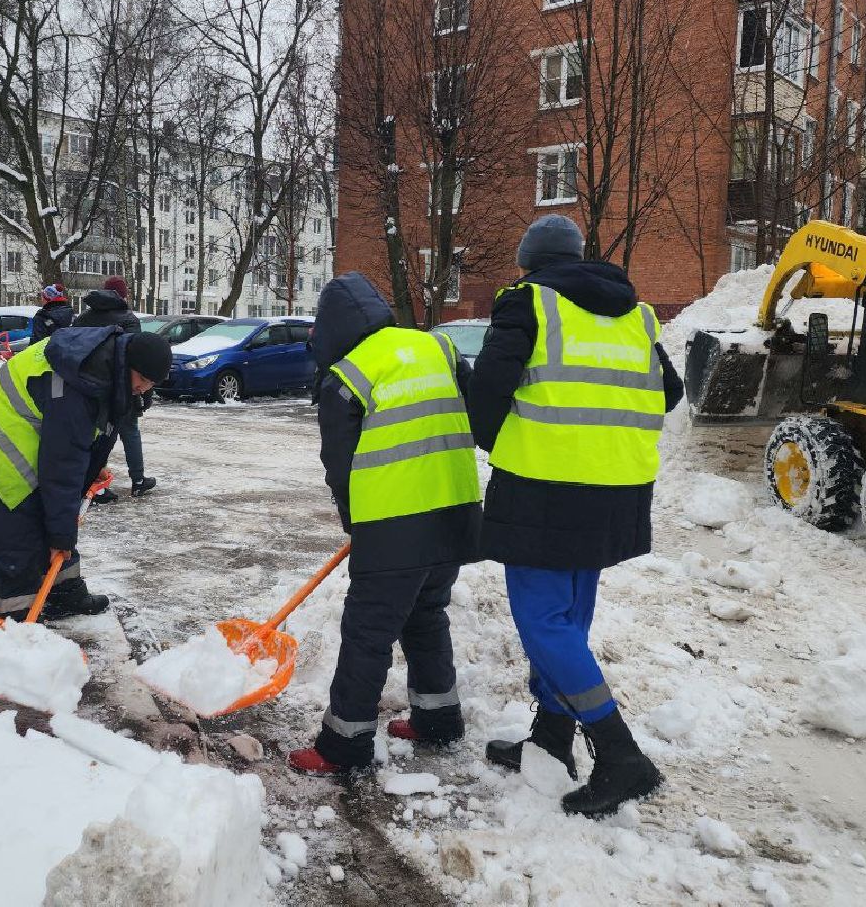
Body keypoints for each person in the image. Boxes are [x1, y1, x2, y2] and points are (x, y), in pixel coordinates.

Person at [468, 214, 684, 819]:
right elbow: (669, 392)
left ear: (528, 262)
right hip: (618, 490)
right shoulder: (636, 315)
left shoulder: (528, 303)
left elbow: (488, 392)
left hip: (544, 488)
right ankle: (553, 738)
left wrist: (492, 440)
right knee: (569, 618)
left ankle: (619, 754)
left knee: (543, 622)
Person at [288, 273, 483, 776]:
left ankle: (343, 745)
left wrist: (358, 524)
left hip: (396, 523)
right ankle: (439, 719)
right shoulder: (437, 346)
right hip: (456, 512)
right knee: (426, 615)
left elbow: (340, 462)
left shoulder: (350, 373)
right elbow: (475, 409)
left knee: (367, 633)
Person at [0, 324, 173, 620]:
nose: (144, 388)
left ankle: (64, 591)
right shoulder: (79, 381)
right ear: (128, 364)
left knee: (57, 522)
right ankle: (21, 616)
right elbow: (61, 464)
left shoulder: (103, 369)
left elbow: (86, 439)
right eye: (142, 379)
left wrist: (92, 468)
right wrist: (61, 536)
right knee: (19, 539)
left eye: (152, 384)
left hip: (9, 441)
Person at [74, 276, 156, 500]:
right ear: (124, 295)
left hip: (88, 386)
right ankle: (138, 480)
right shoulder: (128, 319)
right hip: (122, 387)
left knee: (95, 434)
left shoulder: (83, 318)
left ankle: (94, 483)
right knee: (130, 431)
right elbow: (139, 359)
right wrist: (144, 395)